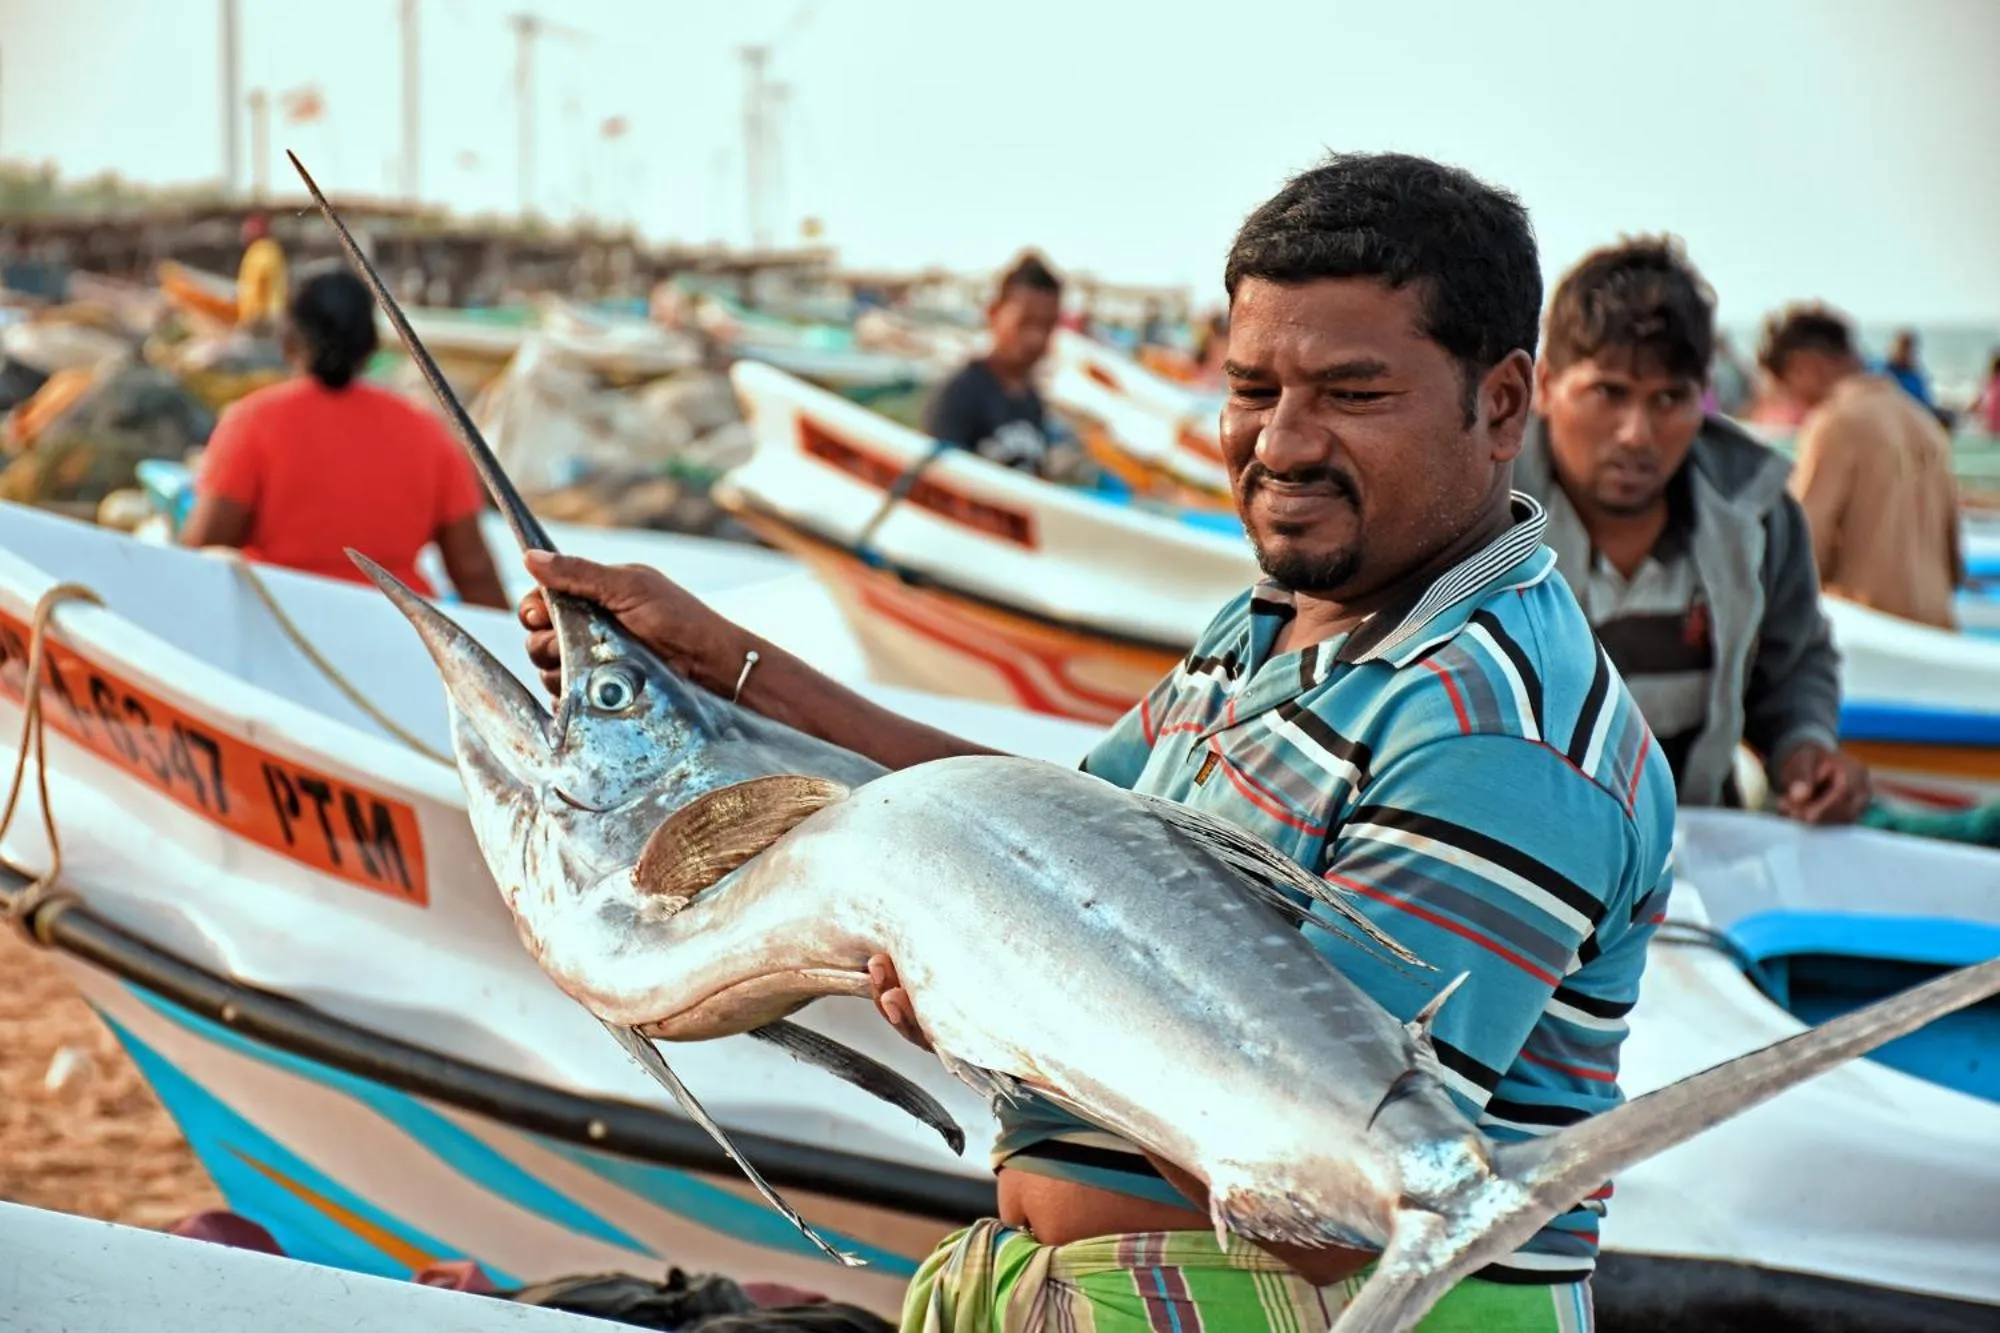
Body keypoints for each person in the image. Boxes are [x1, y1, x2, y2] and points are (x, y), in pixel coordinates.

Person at [519, 152, 1674, 1332]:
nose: (1277, 443)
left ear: (1498, 403)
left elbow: (1330, 1214)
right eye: (1251, 387)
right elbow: (1025, 830)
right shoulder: (1272, 625)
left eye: (1348, 393)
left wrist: (1001, 984)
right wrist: (723, 665)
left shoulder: (1503, 734)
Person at [1517, 238, 1869, 823]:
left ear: (1701, 397)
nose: (1637, 432)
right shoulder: (1481, 516)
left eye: (1669, 399)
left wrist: (1805, 748)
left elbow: (1792, 660)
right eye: (1609, 392)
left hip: (1695, 843)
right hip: (1518, 854)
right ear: (1545, 385)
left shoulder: (1755, 519)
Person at [182, 265, 508, 608]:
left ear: (288, 340)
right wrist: (515, 650)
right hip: (401, 630)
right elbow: (474, 571)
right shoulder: (426, 431)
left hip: (283, 624)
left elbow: (204, 547)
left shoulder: (252, 421)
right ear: (370, 345)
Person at [1760, 304, 1963, 630]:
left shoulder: (1835, 423)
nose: (1791, 402)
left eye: (1786, 387)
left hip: (1870, 633)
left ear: (1806, 367)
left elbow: (1802, 548)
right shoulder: (1925, 422)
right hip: (1937, 629)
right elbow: (1953, 558)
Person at [921, 252, 1063, 472]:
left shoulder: (1032, 401)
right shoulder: (961, 394)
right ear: (994, 313)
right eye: (1025, 323)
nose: (1036, 338)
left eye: (1047, 326)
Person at [235, 212, 289, 332]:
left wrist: (275, 317)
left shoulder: (266, 251)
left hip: (262, 322)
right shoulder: (255, 251)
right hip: (252, 320)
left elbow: (276, 288)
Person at [1881, 328, 1935, 413]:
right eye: (1902, 349)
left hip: (1916, 413)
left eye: (1909, 350)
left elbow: (1925, 402)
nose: (1905, 354)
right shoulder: (1881, 370)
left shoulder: (1915, 374)